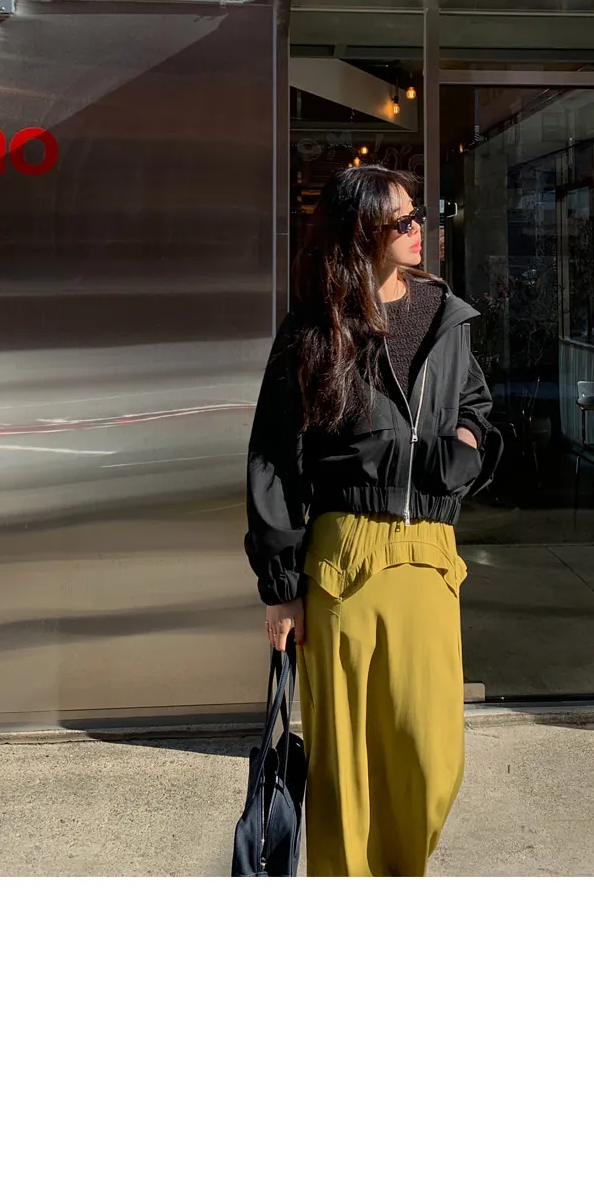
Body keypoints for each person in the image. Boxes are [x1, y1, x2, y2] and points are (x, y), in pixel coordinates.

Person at [244, 157, 496, 877]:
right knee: (346, 768)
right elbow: (274, 456)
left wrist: (464, 448)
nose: (420, 228)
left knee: (433, 757)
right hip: (343, 562)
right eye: (402, 220)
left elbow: (477, 407)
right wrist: (281, 587)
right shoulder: (314, 328)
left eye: (419, 214)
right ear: (362, 234)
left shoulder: (445, 316)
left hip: (429, 558)